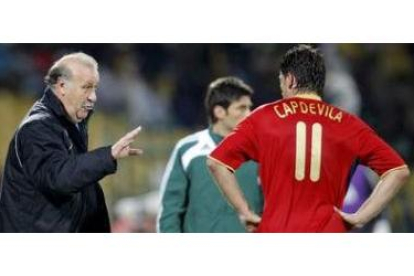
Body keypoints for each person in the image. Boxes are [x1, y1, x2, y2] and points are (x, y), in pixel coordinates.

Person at [207, 45, 410, 233]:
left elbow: (216, 163)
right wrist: (361, 217)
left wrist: (245, 211)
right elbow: (398, 172)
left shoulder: (265, 117)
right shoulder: (347, 123)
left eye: (281, 81)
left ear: (290, 80)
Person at [0, 52, 143, 232]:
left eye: (95, 88)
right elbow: (59, 178)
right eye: (86, 87)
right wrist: (108, 155)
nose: (94, 97)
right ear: (62, 87)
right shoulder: (37, 128)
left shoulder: (69, 122)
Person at [157, 77, 263, 232]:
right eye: (241, 108)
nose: (249, 114)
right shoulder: (188, 150)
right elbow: (170, 209)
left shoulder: (261, 151)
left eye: (249, 108)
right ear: (219, 112)